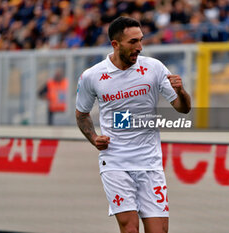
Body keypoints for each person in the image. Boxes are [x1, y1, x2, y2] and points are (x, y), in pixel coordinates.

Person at [75, 16, 191, 233]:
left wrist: (181, 92)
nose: (139, 47)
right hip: (116, 162)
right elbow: (82, 115)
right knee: (130, 228)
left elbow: (183, 108)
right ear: (115, 45)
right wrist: (94, 138)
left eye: (141, 40)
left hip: (150, 163)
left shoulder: (154, 68)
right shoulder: (92, 76)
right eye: (133, 42)